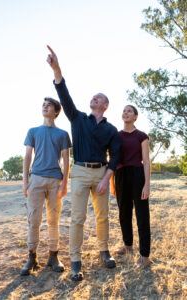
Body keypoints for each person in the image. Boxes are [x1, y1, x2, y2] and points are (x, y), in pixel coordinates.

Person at [46, 45, 121, 281]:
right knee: (77, 217)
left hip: (100, 174)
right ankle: (76, 262)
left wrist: (106, 179)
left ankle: (104, 252)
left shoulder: (111, 129)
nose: (94, 98)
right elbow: (64, 97)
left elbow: (115, 156)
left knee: (102, 216)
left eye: (98, 97)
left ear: (105, 105)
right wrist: (57, 69)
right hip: (79, 172)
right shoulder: (78, 119)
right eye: (93, 97)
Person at [20, 97, 71, 276]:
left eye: (49, 105)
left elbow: (66, 160)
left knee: (53, 220)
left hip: (55, 180)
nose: (45, 106)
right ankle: (32, 257)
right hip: (36, 179)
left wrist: (64, 184)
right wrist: (25, 182)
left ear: (56, 111)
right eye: (43, 104)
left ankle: (53, 256)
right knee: (33, 220)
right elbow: (27, 157)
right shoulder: (33, 131)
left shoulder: (63, 134)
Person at [110, 105, 151, 268]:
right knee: (123, 213)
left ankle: (145, 256)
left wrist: (147, 185)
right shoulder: (116, 136)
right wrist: (112, 182)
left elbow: (146, 161)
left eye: (129, 111)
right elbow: (112, 159)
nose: (125, 113)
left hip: (137, 175)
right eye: (124, 110)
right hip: (120, 176)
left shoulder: (141, 136)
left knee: (142, 216)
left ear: (135, 117)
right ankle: (128, 245)